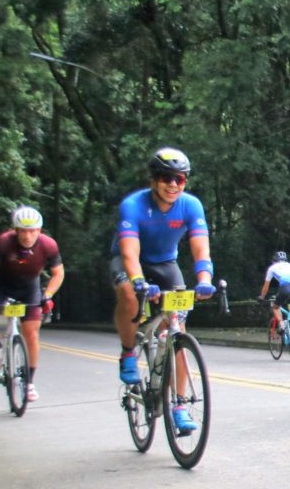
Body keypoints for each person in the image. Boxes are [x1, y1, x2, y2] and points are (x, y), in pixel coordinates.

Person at [110, 147, 216, 432]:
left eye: (179, 179)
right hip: (132, 260)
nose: (172, 184)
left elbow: (200, 248)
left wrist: (204, 279)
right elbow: (130, 254)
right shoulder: (133, 205)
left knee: (176, 329)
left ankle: (179, 405)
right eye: (166, 178)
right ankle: (128, 351)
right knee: (130, 294)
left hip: (165, 263)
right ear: (153, 180)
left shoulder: (191, 206)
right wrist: (138, 281)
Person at [0, 206, 65, 402]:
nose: (27, 236)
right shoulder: (4, 242)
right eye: (23, 231)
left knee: (31, 334)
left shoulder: (48, 245)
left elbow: (58, 274)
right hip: (3, 287)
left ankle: (29, 382)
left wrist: (48, 295)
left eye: (32, 230)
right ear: (15, 230)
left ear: (39, 230)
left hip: (29, 289)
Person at [258, 251, 290, 350]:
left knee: (275, 306)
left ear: (275, 260)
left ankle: (281, 325)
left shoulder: (272, 268)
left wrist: (262, 297)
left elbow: (266, 287)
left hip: (285, 289)